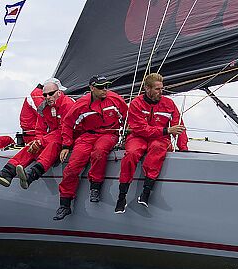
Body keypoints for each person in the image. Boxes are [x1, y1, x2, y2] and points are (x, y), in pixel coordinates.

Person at [53, 75, 128, 221]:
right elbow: (67, 123)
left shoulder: (115, 99)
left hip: (109, 133)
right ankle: (65, 204)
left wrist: (126, 139)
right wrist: (66, 145)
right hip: (87, 136)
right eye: (101, 87)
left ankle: (95, 187)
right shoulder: (81, 104)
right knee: (72, 167)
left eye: (106, 86)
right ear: (92, 88)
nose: (104, 90)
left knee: (99, 152)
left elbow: (128, 118)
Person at [115, 72, 187, 214]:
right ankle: (121, 197)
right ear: (147, 89)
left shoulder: (169, 104)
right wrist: (166, 130)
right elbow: (142, 129)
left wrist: (183, 149)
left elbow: (179, 127)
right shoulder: (136, 104)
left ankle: (146, 193)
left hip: (159, 139)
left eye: (162, 89)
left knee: (157, 148)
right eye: (157, 89)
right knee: (131, 154)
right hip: (138, 136)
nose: (161, 92)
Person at [0, 78, 74, 188]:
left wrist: (42, 142)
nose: (47, 97)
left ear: (59, 92)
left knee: (52, 145)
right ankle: (7, 172)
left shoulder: (68, 105)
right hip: (56, 136)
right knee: (32, 146)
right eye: (45, 95)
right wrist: (37, 141)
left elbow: (65, 130)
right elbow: (40, 129)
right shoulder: (44, 107)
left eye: (50, 94)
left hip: (69, 137)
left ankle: (31, 175)